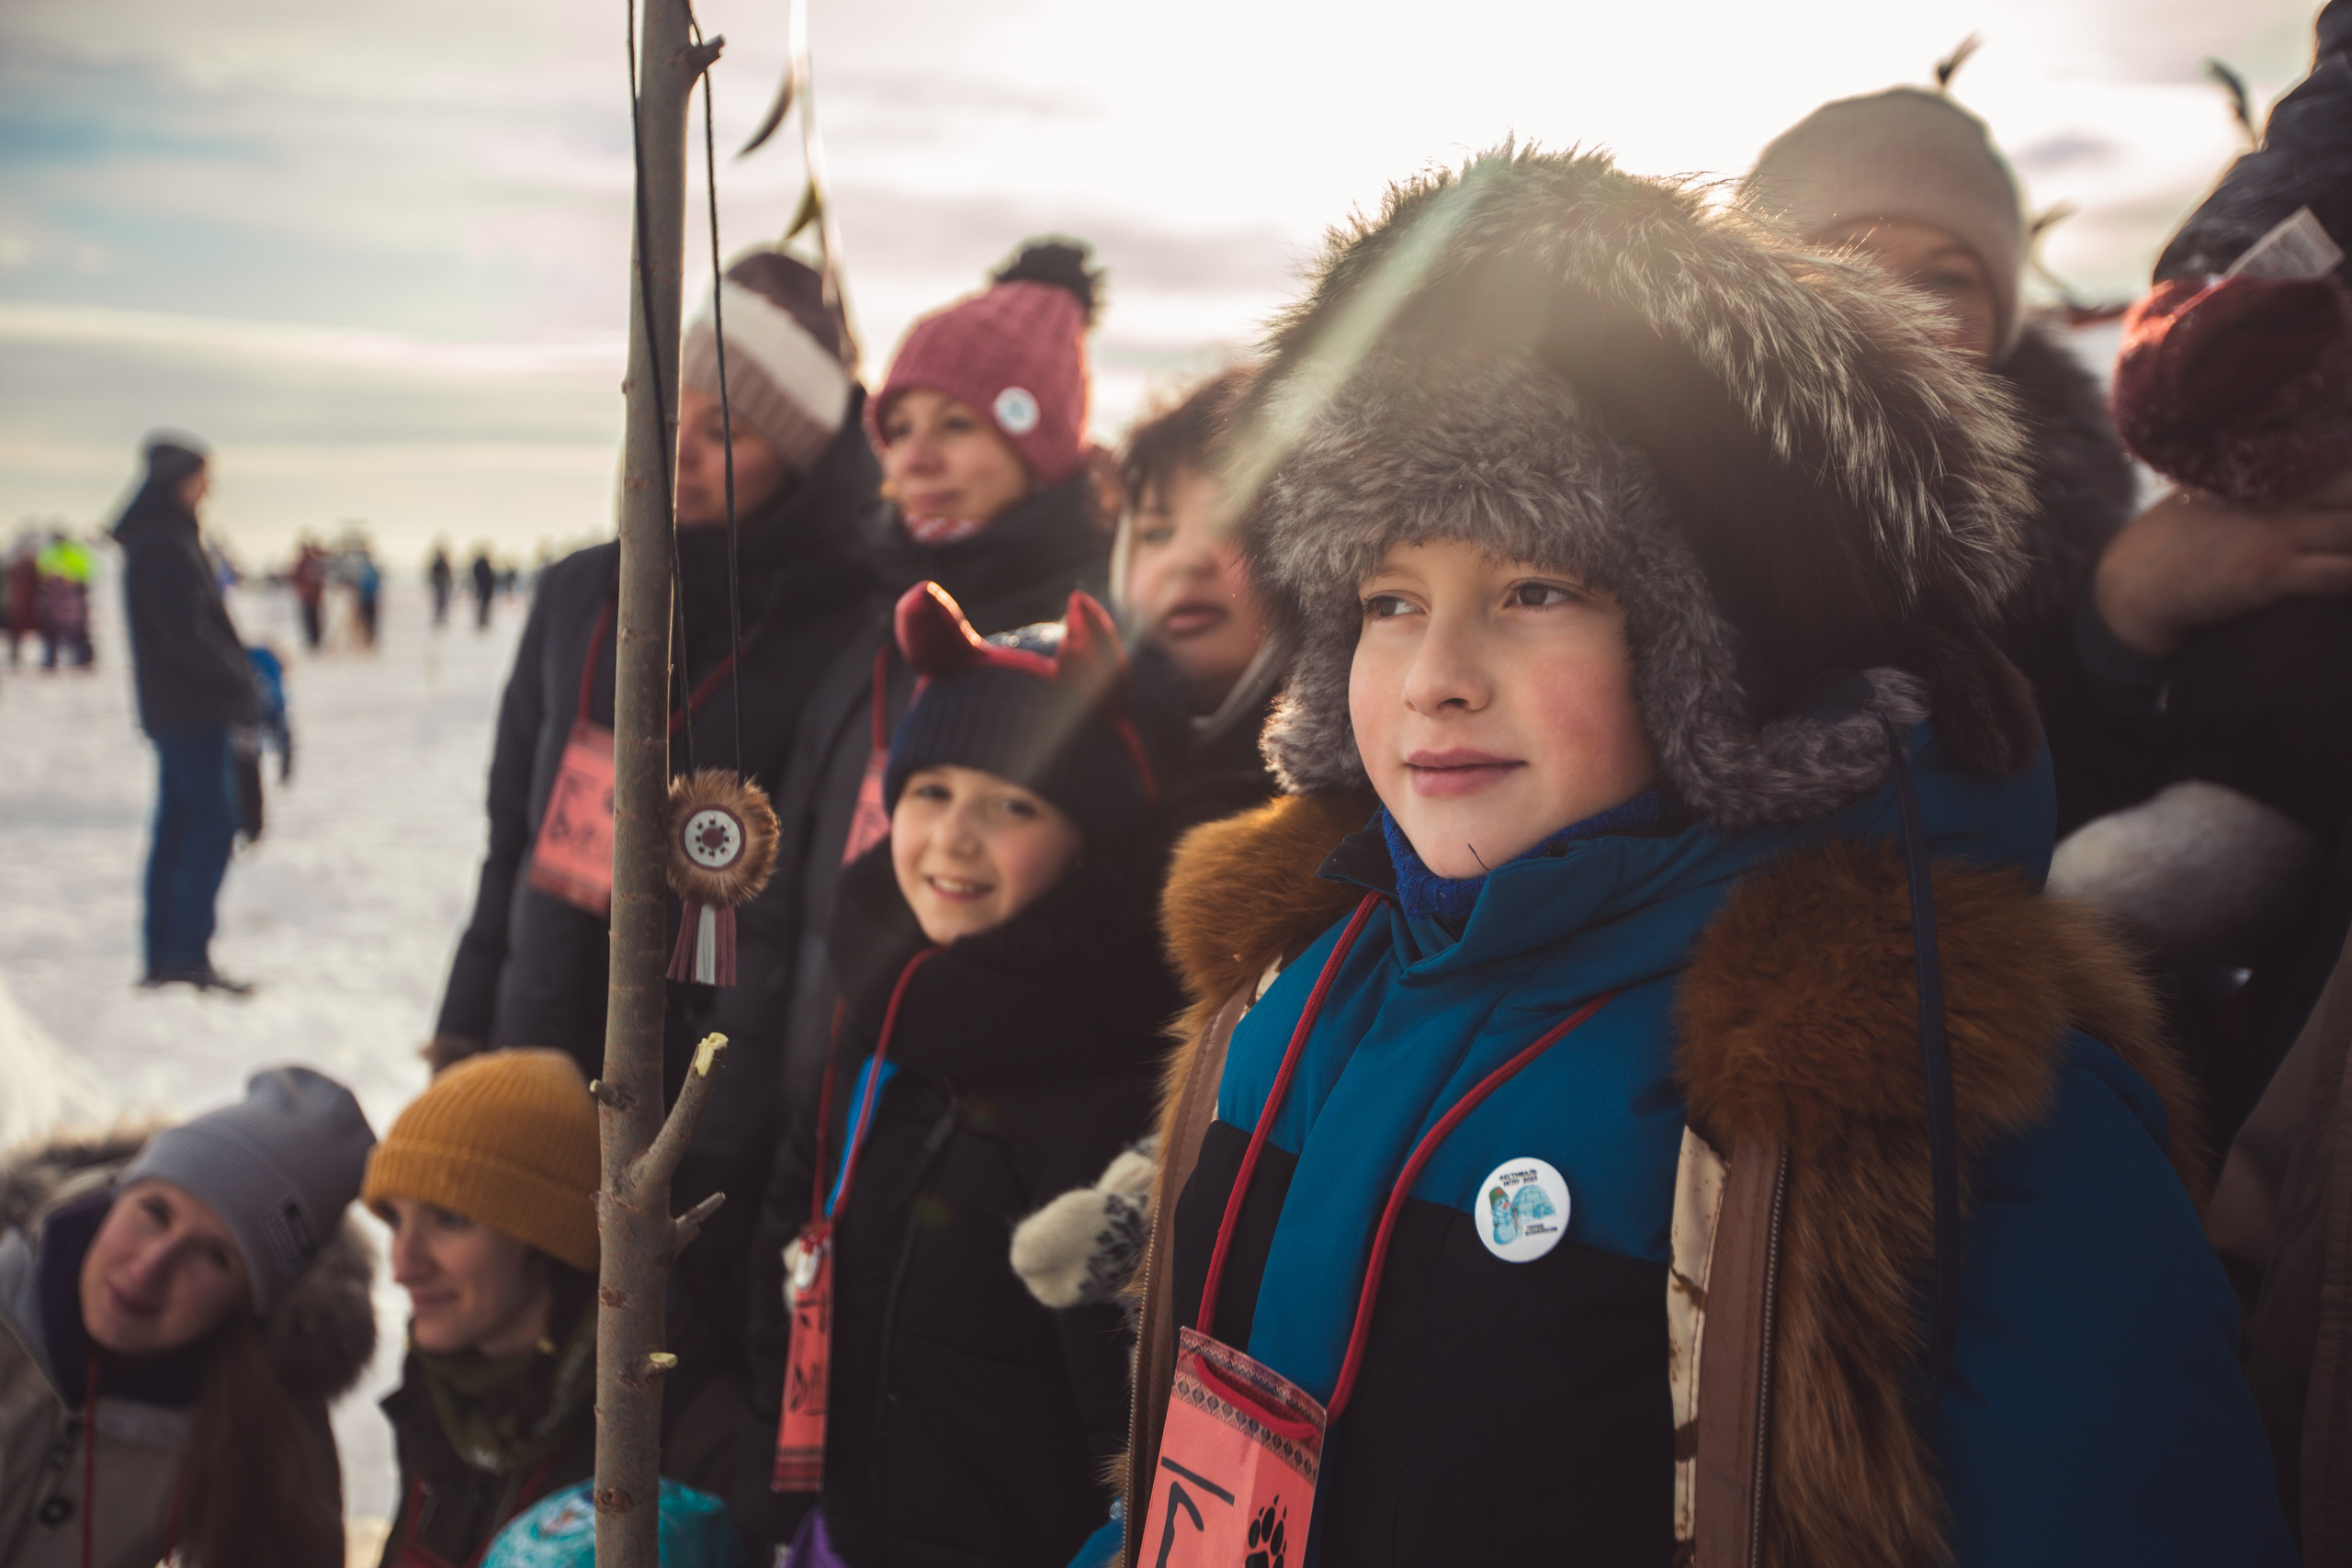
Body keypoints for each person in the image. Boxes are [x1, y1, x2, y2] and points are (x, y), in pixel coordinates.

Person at [1110, 147, 2292, 1568]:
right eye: (1387, 597)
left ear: (1716, 659)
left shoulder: (1914, 1080)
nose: (1435, 675)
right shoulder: (1296, 984)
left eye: (1536, 589)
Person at [432, 248, 882, 1426]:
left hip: (703, 1099)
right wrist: (466, 1034)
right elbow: (506, 838)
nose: (676, 449)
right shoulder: (582, 593)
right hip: (540, 1040)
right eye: (660, 414)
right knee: (504, 1381)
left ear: (804, 454)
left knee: (643, 1403)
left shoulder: (847, 624)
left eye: (722, 430)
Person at [741, 581, 1186, 1566]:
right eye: (930, 791)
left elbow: (1126, 1415)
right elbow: (794, 1227)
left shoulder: (1113, 1062)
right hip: (844, 1532)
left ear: (1087, 842)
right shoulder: (876, 1010)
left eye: (1012, 804)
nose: (953, 835)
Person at [763, 238, 1114, 1191]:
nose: (914, 456)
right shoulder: (868, 627)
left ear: (1032, 440)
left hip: (969, 1161)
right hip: (807, 1127)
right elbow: (784, 897)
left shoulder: (1092, 654)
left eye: (953, 426)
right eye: (899, 424)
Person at [1742, 80, 2145, 838]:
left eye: (1945, 277)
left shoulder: (2079, 516)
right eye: (1849, 267)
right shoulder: (1667, 512)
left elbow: (2098, 795)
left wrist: (2132, 627)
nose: (1905, 311)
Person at [366, 1049, 738, 1567]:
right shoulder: (444, 1391)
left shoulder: (677, 1426)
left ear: (544, 1239)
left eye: (448, 1219)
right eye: (395, 1220)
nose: (402, 1266)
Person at [0, 1066, 379, 1568]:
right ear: (116, 1196)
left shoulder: (265, 1426)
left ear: (250, 1304)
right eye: (154, 1211)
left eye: (214, 1255)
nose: (148, 1269)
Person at [112, 434, 259, 995]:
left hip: (182, 709)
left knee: (180, 826)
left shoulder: (163, 539)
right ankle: (183, 955)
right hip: (191, 711)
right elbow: (183, 635)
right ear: (179, 480)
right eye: (204, 476)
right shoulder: (163, 545)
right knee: (208, 825)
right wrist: (237, 676)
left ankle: (169, 956)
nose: (210, 488)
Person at [1114, 365, 1284, 809]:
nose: (1186, 560)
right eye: (1156, 533)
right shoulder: (1074, 757)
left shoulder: (1346, 803)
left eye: (1231, 524)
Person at [35, 531, 96, 671]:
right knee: (54, 632)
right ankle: (52, 661)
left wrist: (76, 580)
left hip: (71, 594)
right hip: (57, 595)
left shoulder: (72, 551)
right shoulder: (50, 552)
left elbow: (88, 569)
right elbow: (42, 571)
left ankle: (83, 659)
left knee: (77, 631)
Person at [6, 535, 39, 667]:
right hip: (17, 605)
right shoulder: (13, 568)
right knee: (15, 632)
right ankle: (14, 655)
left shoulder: (33, 567)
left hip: (30, 606)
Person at [291, 538, 328, 652]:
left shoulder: (310, 562)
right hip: (307, 596)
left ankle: (315, 640)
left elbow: (316, 580)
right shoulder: (304, 563)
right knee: (309, 619)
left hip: (311, 597)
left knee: (312, 619)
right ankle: (313, 640)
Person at [429, 543, 456, 628]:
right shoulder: (439, 563)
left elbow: (448, 574)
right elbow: (434, 575)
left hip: (442, 586)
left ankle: (440, 618)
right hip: (440, 586)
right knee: (440, 602)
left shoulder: (442, 563)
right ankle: (439, 618)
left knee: (442, 602)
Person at [471, 548, 499, 631]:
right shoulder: (484, 566)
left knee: (483, 606)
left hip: (483, 590)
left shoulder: (480, 565)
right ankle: (482, 621)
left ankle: (482, 621)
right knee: (483, 606)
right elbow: (487, 579)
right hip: (485, 590)